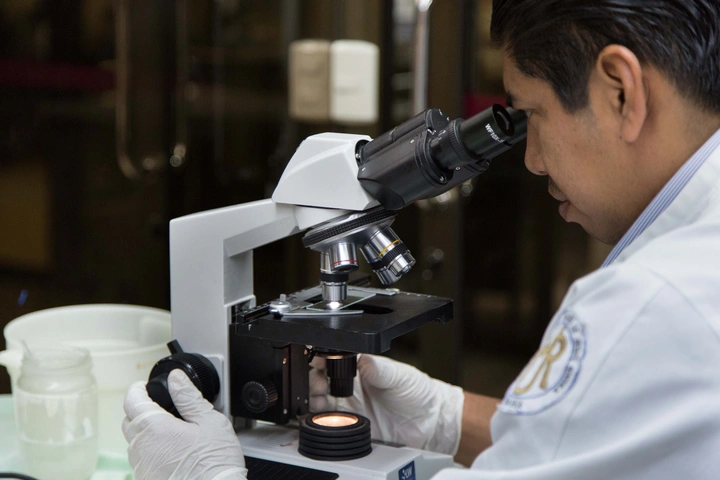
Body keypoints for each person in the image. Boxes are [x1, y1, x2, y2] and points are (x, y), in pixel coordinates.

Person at [122, 0, 720, 478]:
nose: (533, 161)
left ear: (621, 90)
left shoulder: (649, 303)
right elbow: (608, 440)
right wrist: (449, 421)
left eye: (532, 115)